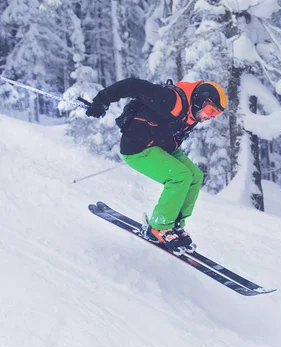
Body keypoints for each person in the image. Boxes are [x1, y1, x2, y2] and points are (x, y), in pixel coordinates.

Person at [85, 77, 227, 253]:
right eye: (210, 110)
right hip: (138, 149)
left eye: (215, 115)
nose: (209, 117)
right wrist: (102, 100)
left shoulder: (192, 111)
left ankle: (174, 224)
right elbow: (134, 85)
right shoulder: (171, 99)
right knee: (180, 176)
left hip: (162, 148)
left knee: (195, 177)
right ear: (200, 100)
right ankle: (159, 226)